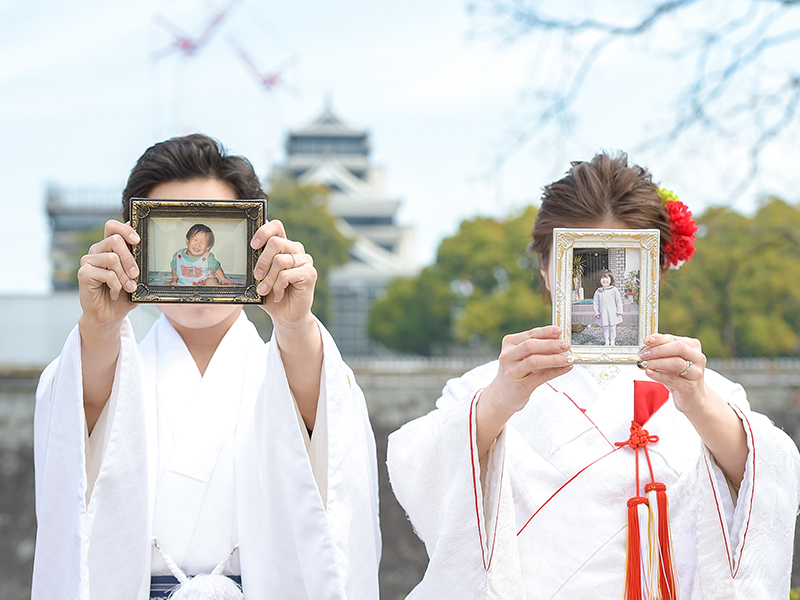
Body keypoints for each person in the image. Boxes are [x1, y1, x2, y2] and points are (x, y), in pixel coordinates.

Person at [387, 152, 800, 599]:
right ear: (546, 268)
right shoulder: (483, 390)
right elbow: (422, 468)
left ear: (656, 271)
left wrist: (698, 402)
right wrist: (500, 399)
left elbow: (764, 481)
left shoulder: (709, 391)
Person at [32, 134, 380, 600]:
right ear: (135, 246)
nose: (196, 241)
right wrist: (99, 328)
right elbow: (77, 439)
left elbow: (330, 449)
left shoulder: (300, 365)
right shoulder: (97, 363)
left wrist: (295, 326)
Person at [169, 223, 233, 286]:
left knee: (210, 282)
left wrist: (223, 279)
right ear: (187, 241)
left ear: (207, 248)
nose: (198, 245)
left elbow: (216, 268)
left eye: (203, 243)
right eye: (195, 240)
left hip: (204, 284)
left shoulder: (207, 258)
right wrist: (174, 280)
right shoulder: (179, 256)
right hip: (184, 284)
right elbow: (174, 268)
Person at [593, 269, 623, 345]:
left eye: (607, 278)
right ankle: (606, 341)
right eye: (602, 278)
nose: (605, 280)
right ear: (599, 280)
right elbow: (595, 303)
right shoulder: (598, 291)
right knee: (605, 328)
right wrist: (596, 312)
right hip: (603, 313)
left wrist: (619, 311)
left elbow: (618, 301)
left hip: (613, 313)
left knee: (612, 328)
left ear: (611, 279)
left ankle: (612, 341)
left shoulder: (614, 290)